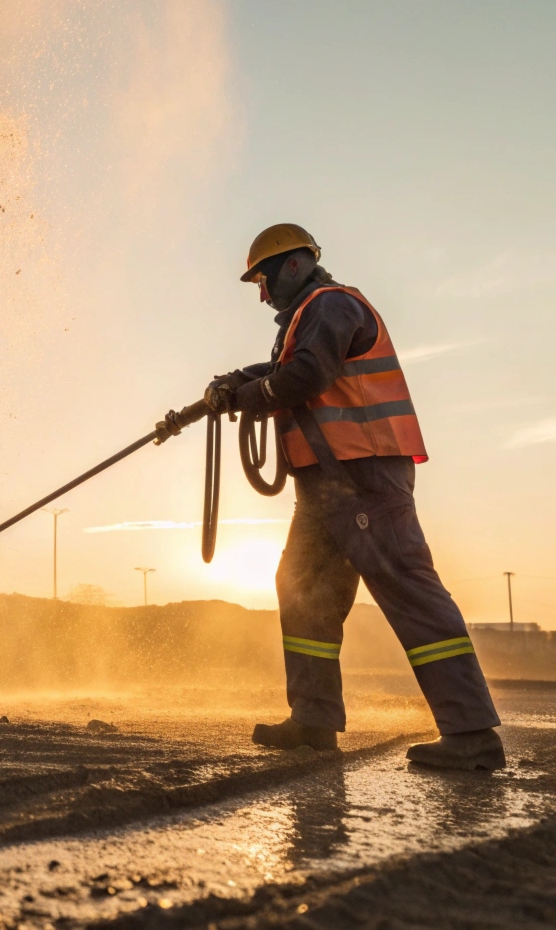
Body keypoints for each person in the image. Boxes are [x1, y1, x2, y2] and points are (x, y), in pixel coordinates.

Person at [208, 223, 505, 771]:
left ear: (294, 265)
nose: (261, 292)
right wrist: (231, 384)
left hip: (364, 476)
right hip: (325, 485)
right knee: (302, 589)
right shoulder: (307, 316)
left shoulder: (332, 304)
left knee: (407, 589)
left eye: (264, 278)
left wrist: (250, 394)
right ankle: (313, 722)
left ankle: (472, 733)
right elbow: (281, 371)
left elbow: (307, 375)